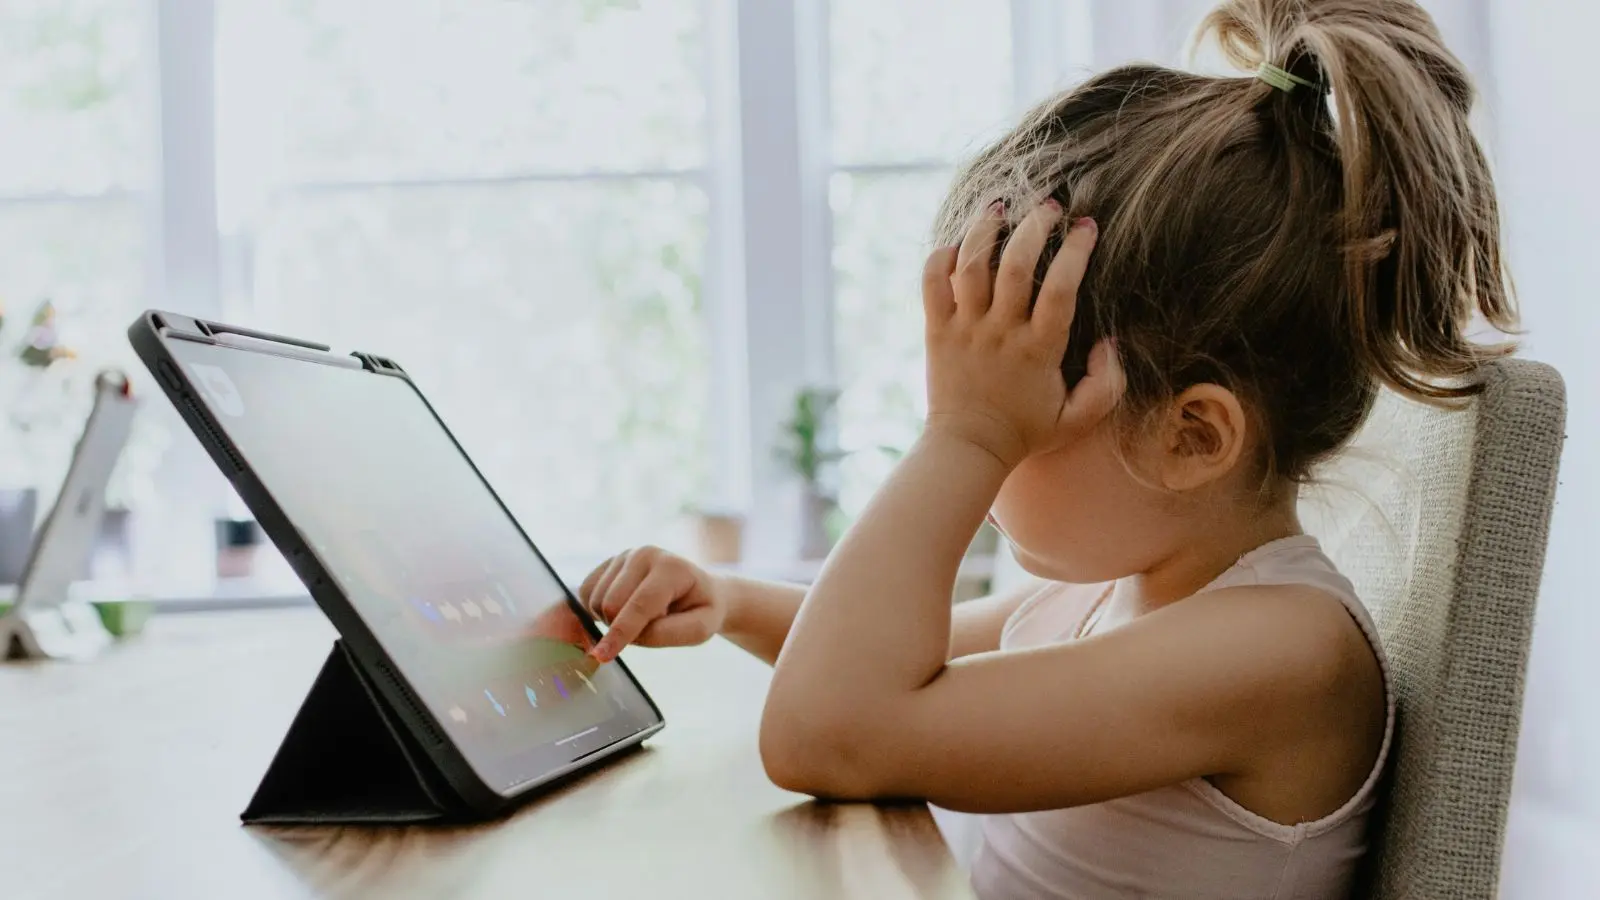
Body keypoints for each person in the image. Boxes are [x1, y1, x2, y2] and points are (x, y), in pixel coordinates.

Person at [579, 0, 1514, 896]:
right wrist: (733, 600)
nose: (981, 470)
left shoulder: (1283, 651)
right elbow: (904, 654)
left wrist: (967, 434)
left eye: (1017, 421)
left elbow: (829, 730)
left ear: (1192, 437)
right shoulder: (1114, 588)